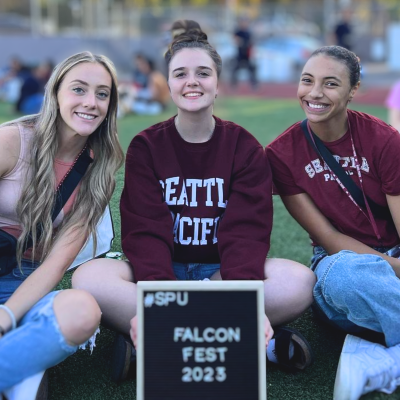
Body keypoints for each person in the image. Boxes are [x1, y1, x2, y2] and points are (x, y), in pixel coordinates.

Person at [72, 25, 315, 383]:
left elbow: (246, 234)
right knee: (89, 278)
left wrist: (238, 294)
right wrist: (161, 294)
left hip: (221, 274)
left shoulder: (244, 147)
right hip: (158, 270)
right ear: (168, 84)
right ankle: (250, 341)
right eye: (180, 74)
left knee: (299, 281)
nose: (192, 82)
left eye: (203, 73)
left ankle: (156, 339)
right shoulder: (146, 146)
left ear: (218, 83)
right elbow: (144, 230)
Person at [266, 45, 400, 400]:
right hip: (343, 263)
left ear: (353, 90)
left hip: (395, 255)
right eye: (307, 81)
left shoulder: (384, 140)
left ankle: (384, 355)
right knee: (344, 277)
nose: (314, 93)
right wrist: (392, 268)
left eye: (330, 84)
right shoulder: (282, 154)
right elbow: (327, 236)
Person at [0, 51, 124, 394]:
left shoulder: (99, 174)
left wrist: (6, 317)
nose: (91, 102)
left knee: (83, 311)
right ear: (56, 93)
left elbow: (54, 267)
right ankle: (21, 370)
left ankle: (16, 364)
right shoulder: (11, 142)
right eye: (79, 89)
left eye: (102, 94)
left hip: (26, 285)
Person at [231, 17, 257, 89]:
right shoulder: (238, 32)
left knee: (252, 70)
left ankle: (254, 85)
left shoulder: (248, 33)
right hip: (240, 54)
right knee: (235, 69)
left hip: (247, 55)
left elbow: (251, 43)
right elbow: (236, 41)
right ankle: (233, 85)